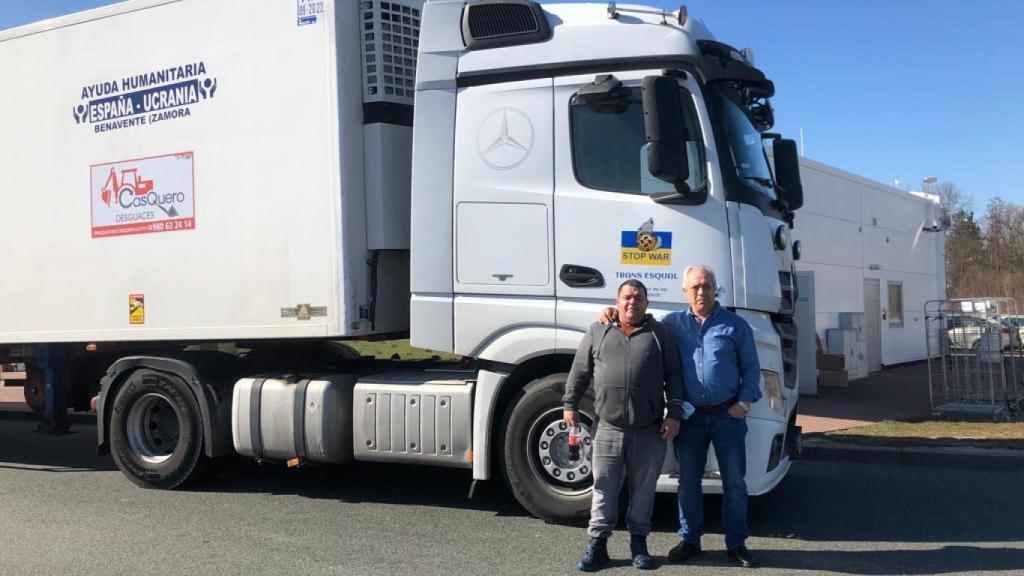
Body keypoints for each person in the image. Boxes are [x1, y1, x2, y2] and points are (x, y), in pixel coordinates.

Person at [598, 265, 761, 568]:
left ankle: (736, 543)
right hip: (690, 418)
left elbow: (751, 369)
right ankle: (690, 540)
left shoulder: (735, 326)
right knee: (688, 482)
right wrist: (610, 312)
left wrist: (744, 403)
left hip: (729, 416)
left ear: (716, 289)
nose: (701, 291)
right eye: (695, 287)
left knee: (735, 483)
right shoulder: (670, 324)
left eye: (707, 285)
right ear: (685, 292)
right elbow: (638, 323)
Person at [563, 279, 685, 572]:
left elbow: (674, 375)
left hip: (649, 429)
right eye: (627, 297)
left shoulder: (660, 334)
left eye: (639, 298)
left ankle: (639, 544)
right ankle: (598, 545)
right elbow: (580, 370)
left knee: (643, 490)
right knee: (604, 488)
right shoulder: (598, 330)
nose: (633, 302)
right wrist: (570, 404)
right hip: (608, 428)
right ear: (617, 302)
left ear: (646, 303)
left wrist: (675, 412)